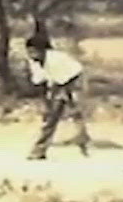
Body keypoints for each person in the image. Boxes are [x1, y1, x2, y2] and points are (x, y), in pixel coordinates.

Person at [24, 33, 90, 161]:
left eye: (34, 51)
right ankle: (39, 150)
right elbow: (39, 81)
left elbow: (59, 82)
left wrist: (55, 96)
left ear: (42, 50)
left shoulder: (55, 59)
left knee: (76, 113)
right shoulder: (34, 62)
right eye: (29, 52)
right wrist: (47, 103)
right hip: (59, 82)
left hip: (74, 78)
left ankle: (85, 145)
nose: (31, 55)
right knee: (51, 118)